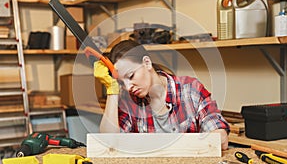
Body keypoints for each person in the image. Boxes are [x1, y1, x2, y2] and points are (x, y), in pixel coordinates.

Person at [94, 39, 230, 150]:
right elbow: (109, 143)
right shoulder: (128, 102)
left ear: (147, 63)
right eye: (121, 83)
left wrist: (215, 137)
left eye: (131, 76)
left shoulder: (191, 90)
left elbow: (220, 138)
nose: (128, 87)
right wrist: (112, 90)